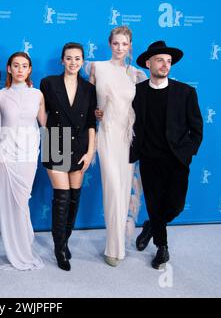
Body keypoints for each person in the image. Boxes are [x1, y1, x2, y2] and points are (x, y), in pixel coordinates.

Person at [131, 41, 203, 269]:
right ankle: (162, 248)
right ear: (148, 63)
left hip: (176, 159)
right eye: (160, 60)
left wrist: (188, 152)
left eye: (168, 61)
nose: (165, 65)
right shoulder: (138, 92)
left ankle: (151, 226)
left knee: (175, 206)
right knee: (154, 202)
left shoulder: (185, 92)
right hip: (149, 157)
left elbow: (197, 129)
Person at [88, 26, 147, 267]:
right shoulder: (97, 68)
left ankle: (118, 244)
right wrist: (94, 112)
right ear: (109, 44)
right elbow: (88, 100)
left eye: (124, 44)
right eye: (116, 43)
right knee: (112, 187)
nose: (120, 48)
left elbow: (143, 109)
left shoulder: (136, 74)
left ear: (130, 46)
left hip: (127, 138)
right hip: (106, 134)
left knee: (123, 190)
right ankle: (113, 247)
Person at [40, 42, 97, 271]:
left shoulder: (89, 89)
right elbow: (40, 112)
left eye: (77, 58)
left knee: (74, 198)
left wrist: (91, 151)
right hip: (56, 142)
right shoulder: (49, 83)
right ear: (62, 60)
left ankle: (64, 240)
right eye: (69, 58)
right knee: (62, 197)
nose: (73, 62)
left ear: (82, 62)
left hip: (80, 146)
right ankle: (59, 248)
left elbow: (92, 123)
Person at [0, 52, 46, 271]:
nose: (20, 69)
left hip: (29, 153)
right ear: (9, 68)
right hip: (5, 153)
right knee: (8, 203)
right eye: (16, 65)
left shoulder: (37, 94)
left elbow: (45, 124)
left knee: (22, 201)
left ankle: (24, 245)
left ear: (30, 69)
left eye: (24, 66)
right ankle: (14, 249)